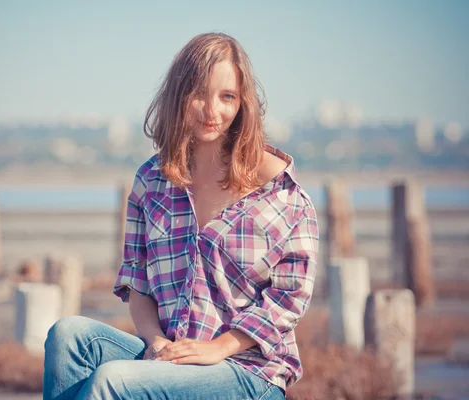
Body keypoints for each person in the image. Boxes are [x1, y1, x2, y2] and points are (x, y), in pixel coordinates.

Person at [43, 32, 319, 400]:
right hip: (172, 356)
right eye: (199, 94)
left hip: (248, 371)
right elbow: (138, 283)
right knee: (68, 337)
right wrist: (156, 343)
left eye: (227, 97)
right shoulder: (152, 181)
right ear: (178, 96)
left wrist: (219, 347)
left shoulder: (284, 195)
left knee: (112, 381)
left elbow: (288, 301)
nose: (212, 111)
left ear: (244, 103)